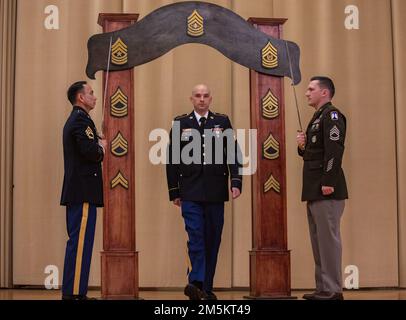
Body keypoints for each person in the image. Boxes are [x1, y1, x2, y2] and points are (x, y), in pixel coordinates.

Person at [166, 84, 242, 300]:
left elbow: (232, 153)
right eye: (197, 96)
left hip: (216, 191)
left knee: (212, 239)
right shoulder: (181, 123)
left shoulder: (221, 121)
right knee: (196, 236)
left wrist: (236, 181)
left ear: (211, 98)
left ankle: (205, 289)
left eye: (205, 96)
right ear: (191, 99)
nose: (201, 99)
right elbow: (172, 159)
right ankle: (196, 282)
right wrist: (174, 191)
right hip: (190, 192)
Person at [296, 76, 348, 300]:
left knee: (328, 241)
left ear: (324, 92)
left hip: (327, 187)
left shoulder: (332, 116)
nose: (306, 93)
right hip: (315, 188)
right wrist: (303, 147)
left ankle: (333, 289)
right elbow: (314, 153)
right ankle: (323, 288)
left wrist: (328, 181)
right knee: (319, 242)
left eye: (311, 89)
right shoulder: (317, 118)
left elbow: (334, 151)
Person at [60, 81, 106, 300]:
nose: (95, 97)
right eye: (91, 93)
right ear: (81, 98)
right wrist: (101, 149)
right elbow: (89, 151)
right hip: (82, 191)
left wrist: (96, 142)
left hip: (81, 191)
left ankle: (76, 292)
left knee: (81, 244)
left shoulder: (81, 119)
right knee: (79, 244)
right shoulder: (80, 120)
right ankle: (74, 294)